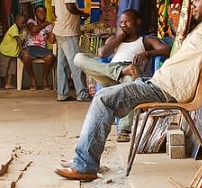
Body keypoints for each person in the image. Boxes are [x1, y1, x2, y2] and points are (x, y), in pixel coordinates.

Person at [54, 0, 202, 182]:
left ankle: (84, 165)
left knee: (103, 99)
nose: (192, 5)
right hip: (157, 84)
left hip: (165, 89)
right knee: (102, 96)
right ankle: (82, 159)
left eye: (196, 0)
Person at [73, 8, 172, 142]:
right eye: (121, 22)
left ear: (137, 22)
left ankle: (124, 130)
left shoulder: (145, 40)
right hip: (110, 72)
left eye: (127, 21)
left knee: (131, 81)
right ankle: (119, 72)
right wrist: (120, 37)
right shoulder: (114, 39)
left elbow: (167, 49)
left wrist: (147, 53)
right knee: (78, 58)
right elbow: (102, 54)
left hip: (130, 71)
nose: (123, 24)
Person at [52, 0, 91, 102]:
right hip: (68, 31)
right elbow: (70, 6)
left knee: (61, 64)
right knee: (76, 62)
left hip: (59, 29)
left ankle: (62, 93)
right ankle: (82, 93)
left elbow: (53, 9)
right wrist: (82, 14)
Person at [21, 5, 55, 90]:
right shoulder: (31, 21)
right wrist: (45, 24)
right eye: (39, 11)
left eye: (43, 11)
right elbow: (34, 30)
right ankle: (33, 80)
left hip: (42, 49)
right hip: (30, 47)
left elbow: (52, 41)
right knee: (25, 56)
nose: (42, 13)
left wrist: (54, 27)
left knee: (50, 57)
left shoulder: (48, 26)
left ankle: (44, 80)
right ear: (35, 14)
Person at [0, 13, 27, 89]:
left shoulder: (20, 30)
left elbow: (21, 41)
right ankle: (2, 84)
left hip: (13, 54)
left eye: (25, 23)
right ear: (16, 21)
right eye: (22, 23)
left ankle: (8, 83)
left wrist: (24, 35)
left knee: (12, 69)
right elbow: (17, 40)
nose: (24, 24)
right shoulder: (13, 28)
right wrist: (22, 50)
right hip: (4, 52)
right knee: (3, 69)